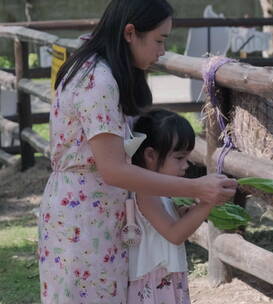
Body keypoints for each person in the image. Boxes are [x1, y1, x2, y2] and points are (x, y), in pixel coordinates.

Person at [38, 0, 237, 303]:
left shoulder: (95, 68)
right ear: (130, 32)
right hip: (85, 218)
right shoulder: (98, 81)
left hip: (93, 213)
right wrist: (196, 187)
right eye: (159, 40)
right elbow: (114, 169)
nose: (162, 50)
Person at [127, 109, 210, 303]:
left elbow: (164, 225)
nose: (186, 165)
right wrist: (207, 203)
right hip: (154, 282)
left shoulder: (157, 190)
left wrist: (181, 213)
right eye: (179, 158)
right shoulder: (146, 191)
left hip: (164, 277)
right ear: (150, 155)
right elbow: (175, 234)